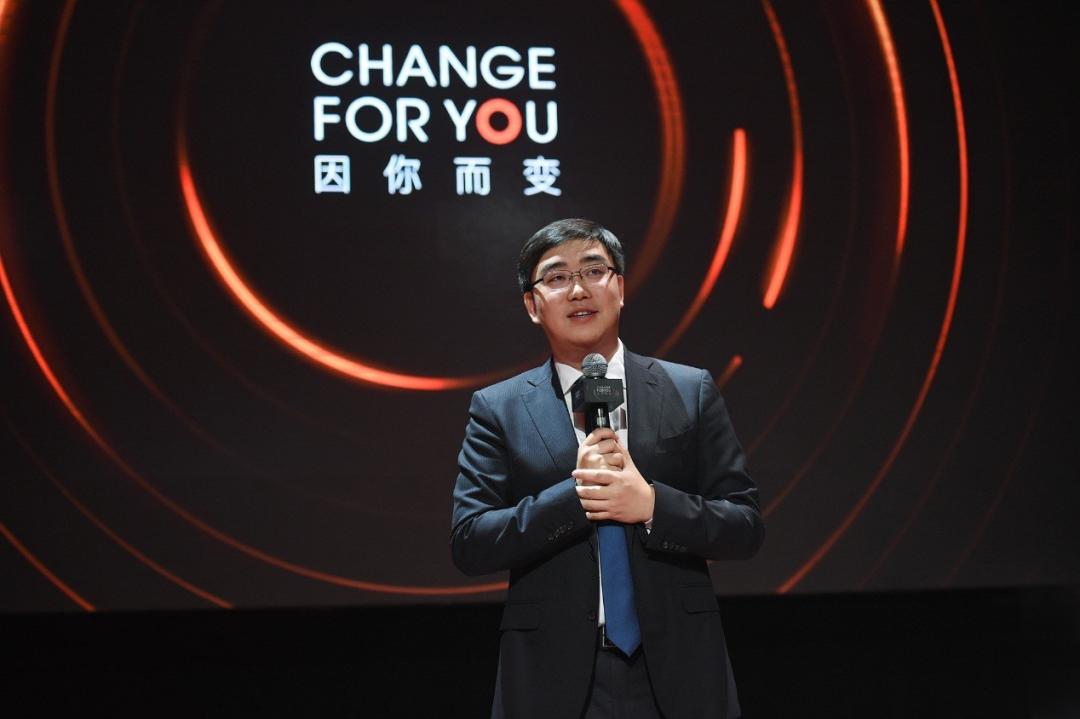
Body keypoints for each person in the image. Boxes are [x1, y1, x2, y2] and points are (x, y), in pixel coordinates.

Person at [451, 218, 764, 718]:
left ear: (619, 288)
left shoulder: (689, 390)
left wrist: (652, 505)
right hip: (552, 675)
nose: (578, 289)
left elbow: (744, 527)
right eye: (557, 277)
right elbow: (471, 541)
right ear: (532, 305)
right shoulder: (499, 408)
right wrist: (576, 498)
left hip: (678, 667)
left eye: (594, 271)